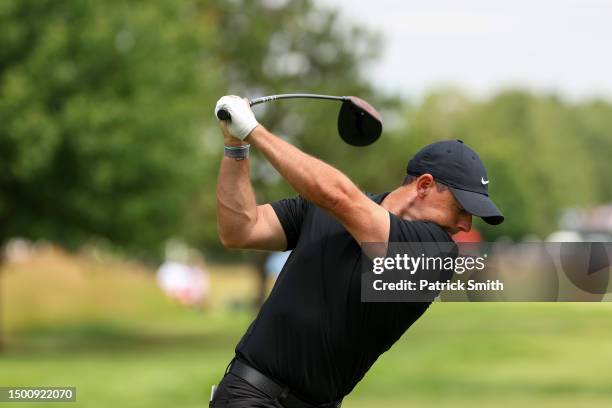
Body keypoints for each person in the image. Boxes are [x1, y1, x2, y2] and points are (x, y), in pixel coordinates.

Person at [211, 95, 504, 407]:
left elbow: (340, 198)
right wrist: (235, 148)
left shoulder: (436, 254)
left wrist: (253, 130)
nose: (465, 223)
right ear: (424, 185)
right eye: (461, 208)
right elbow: (239, 230)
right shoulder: (323, 209)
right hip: (250, 396)